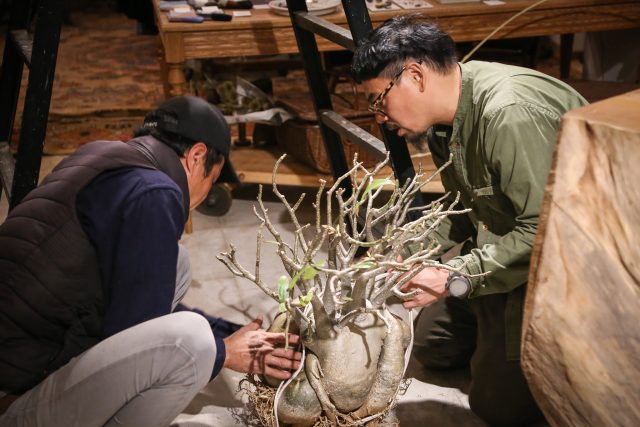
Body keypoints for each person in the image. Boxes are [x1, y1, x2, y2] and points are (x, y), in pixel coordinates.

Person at [0, 96, 301, 426]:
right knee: (192, 344)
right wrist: (224, 351)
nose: (205, 195)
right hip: (13, 396)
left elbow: (144, 307)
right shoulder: (154, 193)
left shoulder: (101, 156)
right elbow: (140, 336)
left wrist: (233, 334)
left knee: (177, 264)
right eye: (212, 178)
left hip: (21, 360)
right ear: (197, 156)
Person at [351, 15, 587, 427]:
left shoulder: (508, 114)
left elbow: (545, 232)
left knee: (497, 408)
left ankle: (544, 347)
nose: (379, 116)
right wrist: (402, 252)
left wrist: (454, 276)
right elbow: (463, 208)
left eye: (378, 100)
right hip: (507, 245)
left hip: (565, 262)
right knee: (433, 346)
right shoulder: (446, 125)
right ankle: (497, 335)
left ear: (415, 77)